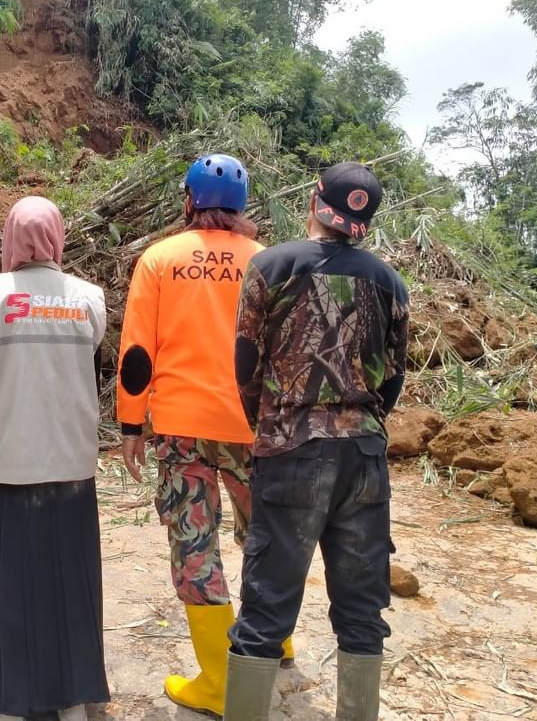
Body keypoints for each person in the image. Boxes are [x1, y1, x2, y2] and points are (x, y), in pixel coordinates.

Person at [223, 163, 409, 721]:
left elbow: (246, 364)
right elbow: (394, 377)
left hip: (291, 448)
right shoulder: (389, 283)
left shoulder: (271, 266)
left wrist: (272, 425)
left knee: (266, 605)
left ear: (313, 202)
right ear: (365, 222)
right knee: (361, 608)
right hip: (365, 457)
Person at [116, 154, 293, 717]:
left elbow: (138, 352)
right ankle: (276, 642)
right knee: (266, 533)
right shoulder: (271, 261)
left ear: (188, 201)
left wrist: (129, 421)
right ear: (244, 208)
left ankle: (217, 682)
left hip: (180, 427)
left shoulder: (159, 259)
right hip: (254, 425)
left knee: (196, 545)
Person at [0, 196, 110, 721]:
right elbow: (93, 378)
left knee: (12, 586)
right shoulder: (89, 299)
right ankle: (73, 701)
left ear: (11, 239)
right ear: (57, 238)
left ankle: (5, 702)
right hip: (72, 465)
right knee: (73, 586)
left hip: (10, 463)